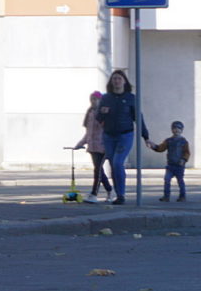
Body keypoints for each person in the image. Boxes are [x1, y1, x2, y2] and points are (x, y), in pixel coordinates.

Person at [96, 69, 148, 205]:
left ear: (124, 81)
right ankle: (119, 195)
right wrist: (102, 112)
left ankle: (121, 194)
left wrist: (145, 136)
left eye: (119, 78)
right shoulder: (106, 98)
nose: (117, 81)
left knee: (118, 162)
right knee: (113, 164)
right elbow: (98, 117)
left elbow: (138, 117)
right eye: (114, 79)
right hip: (109, 135)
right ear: (111, 82)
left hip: (125, 135)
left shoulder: (130, 98)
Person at [73, 91, 113, 203]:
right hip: (92, 146)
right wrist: (81, 143)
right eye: (92, 99)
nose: (94, 101)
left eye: (96, 99)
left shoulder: (104, 112)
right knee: (99, 170)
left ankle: (94, 194)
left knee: (97, 170)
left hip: (102, 146)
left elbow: (107, 129)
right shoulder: (90, 112)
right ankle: (110, 190)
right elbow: (89, 132)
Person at [148, 120, 190, 202]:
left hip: (179, 165)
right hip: (170, 165)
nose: (176, 130)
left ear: (182, 130)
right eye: (174, 128)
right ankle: (166, 196)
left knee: (180, 181)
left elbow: (187, 152)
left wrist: (184, 159)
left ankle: (182, 196)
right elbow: (161, 148)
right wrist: (153, 146)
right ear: (172, 129)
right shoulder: (168, 141)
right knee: (167, 180)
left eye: (179, 128)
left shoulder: (184, 142)